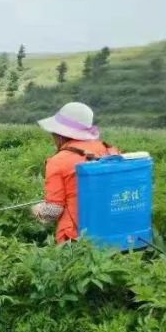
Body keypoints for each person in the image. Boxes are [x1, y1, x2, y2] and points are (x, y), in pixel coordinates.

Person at [32, 102, 119, 243]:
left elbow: (53, 211)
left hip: (75, 238)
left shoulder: (58, 161)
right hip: (112, 229)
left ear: (60, 135)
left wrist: (37, 210)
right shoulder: (108, 150)